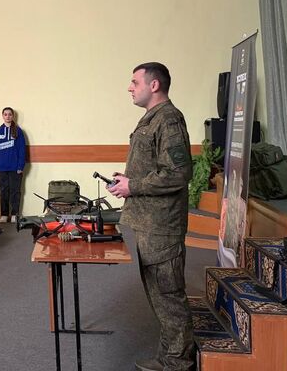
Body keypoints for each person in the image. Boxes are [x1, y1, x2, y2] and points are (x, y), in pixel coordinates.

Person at [106, 62, 194, 371]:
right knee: (159, 293)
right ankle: (172, 355)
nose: (130, 87)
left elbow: (180, 173)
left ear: (153, 85)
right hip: (150, 223)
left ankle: (178, 362)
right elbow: (157, 166)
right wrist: (128, 178)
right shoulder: (152, 119)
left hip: (161, 226)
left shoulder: (168, 120)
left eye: (134, 81)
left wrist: (135, 186)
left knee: (168, 295)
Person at [0, 106, 26, 222]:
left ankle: (15, 214)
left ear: (13, 116)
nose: (7, 116)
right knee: (3, 191)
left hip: (15, 168)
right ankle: (4, 214)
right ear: (2, 116)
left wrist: (20, 166)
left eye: (10, 114)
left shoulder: (18, 131)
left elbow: (22, 150)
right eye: (5, 114)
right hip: (1, 168)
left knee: (16, 191)